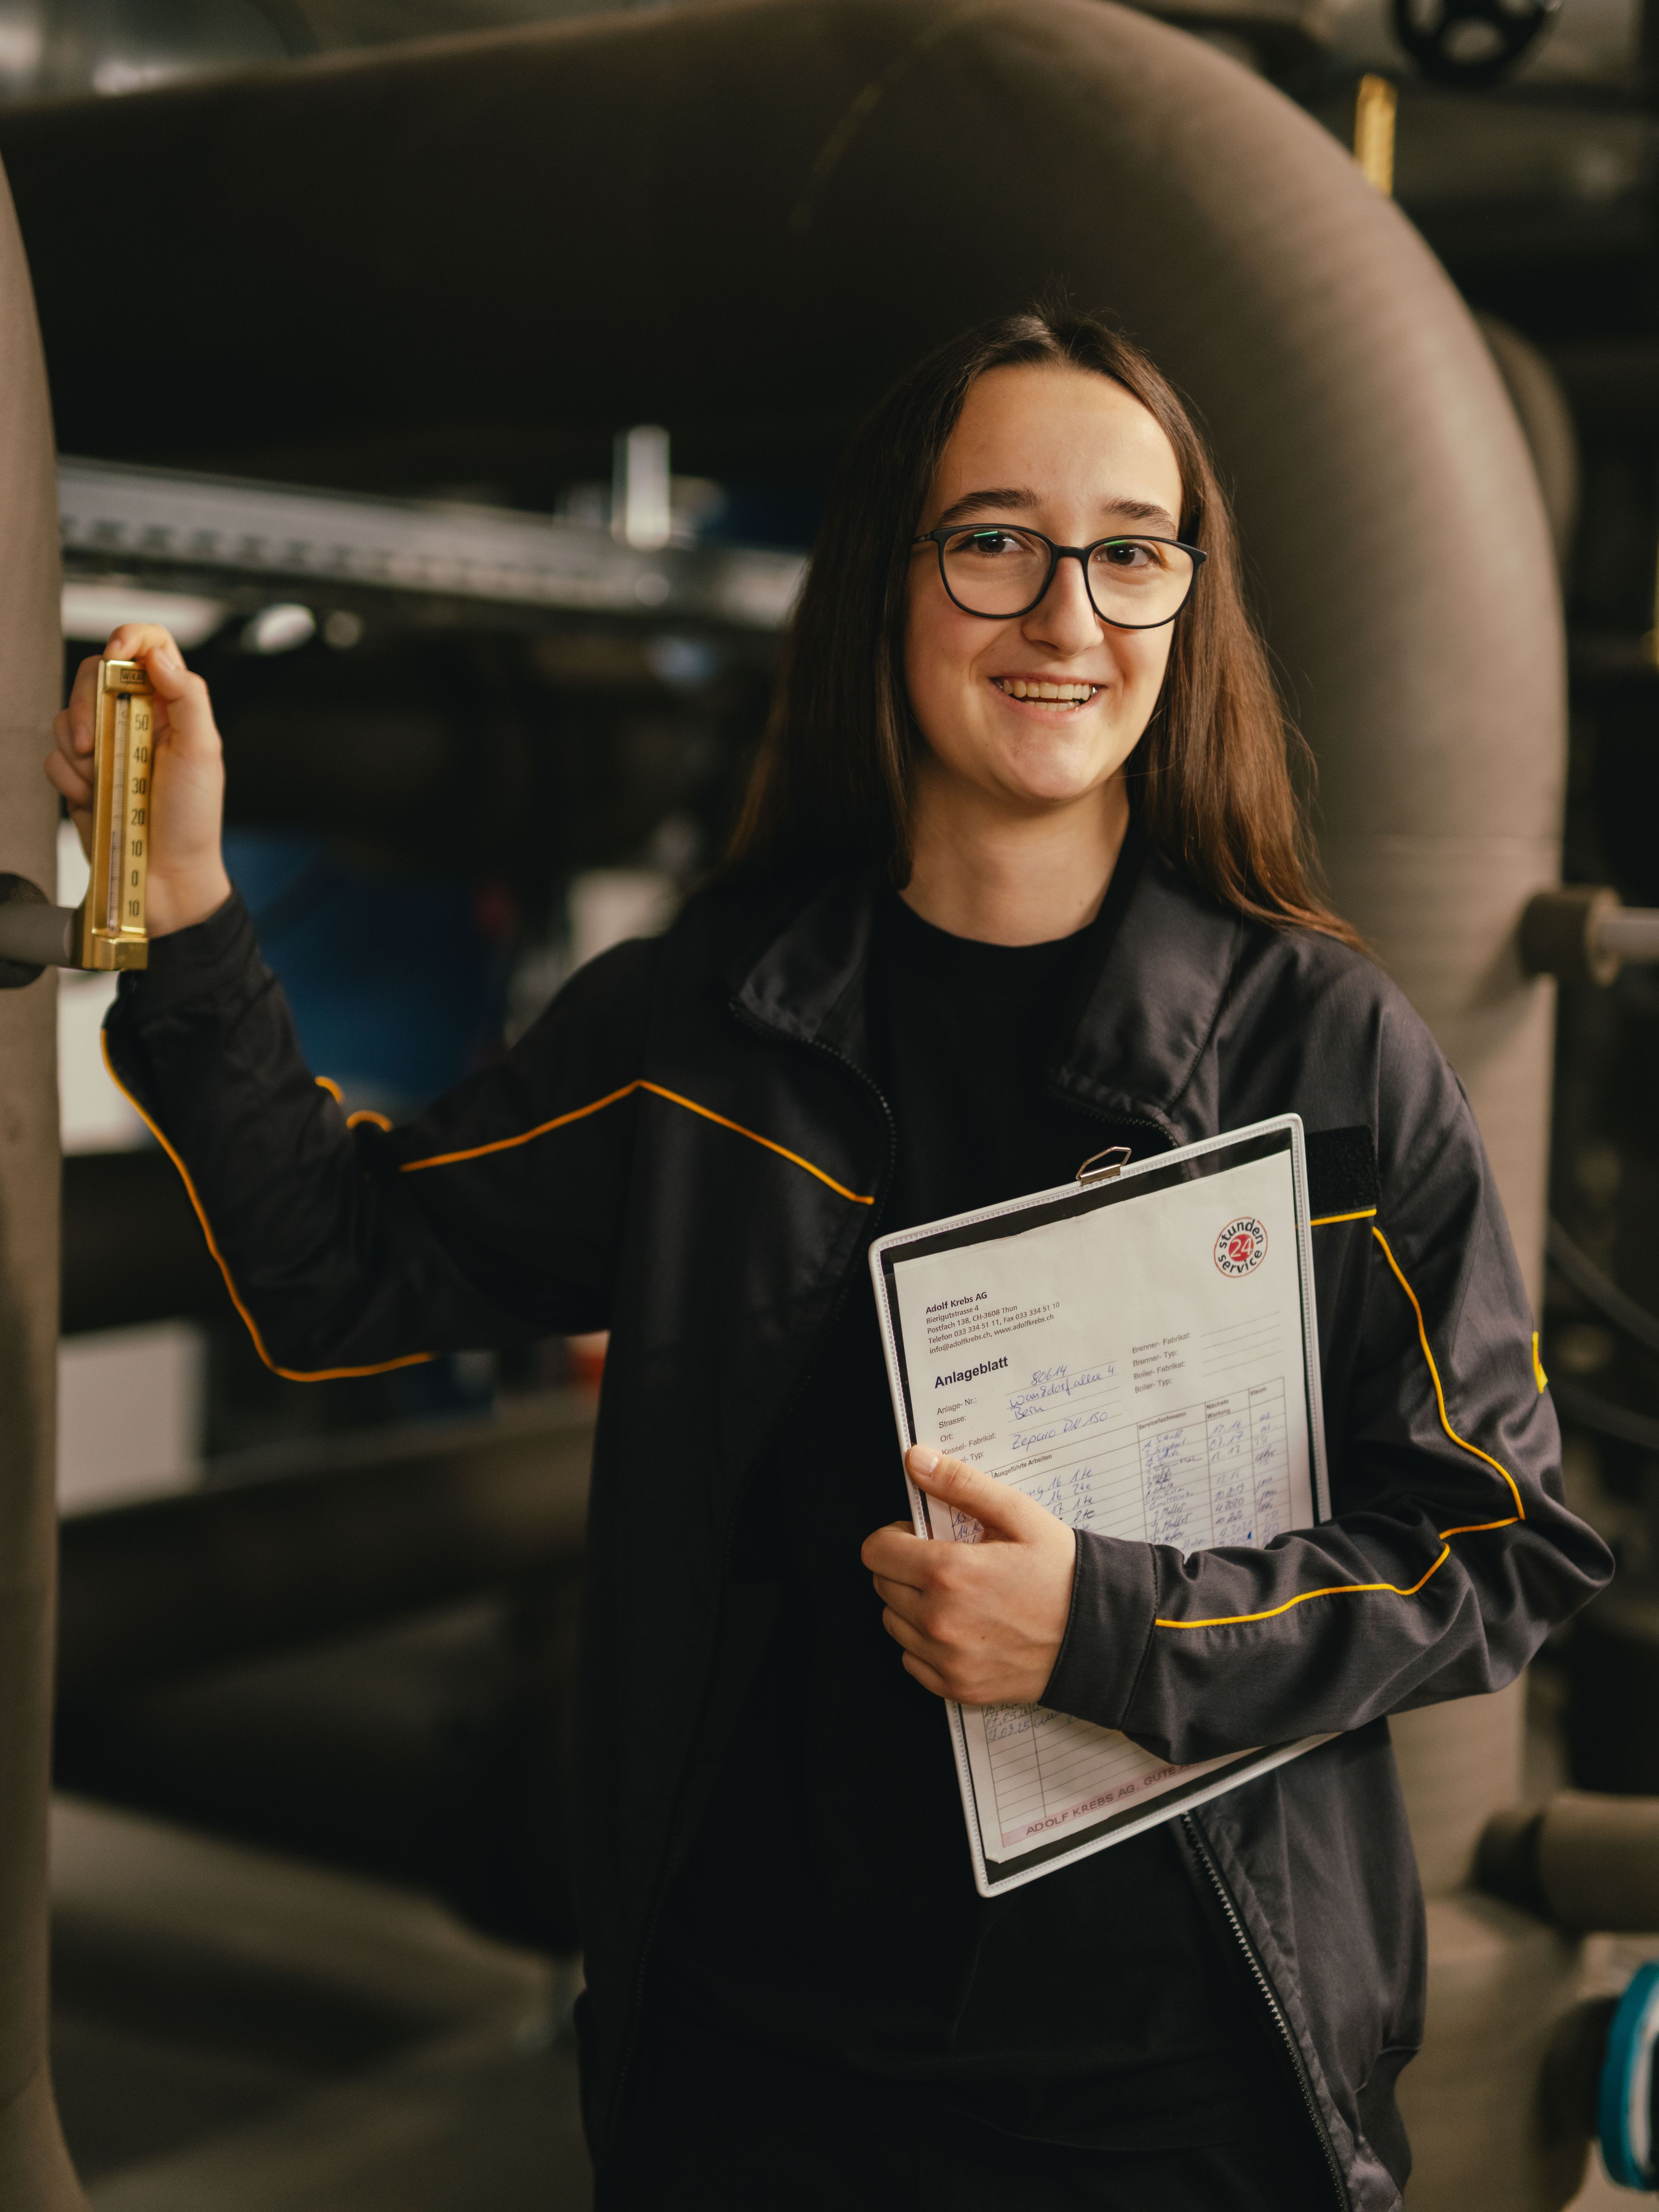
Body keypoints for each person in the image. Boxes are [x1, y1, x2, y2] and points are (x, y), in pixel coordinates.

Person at [49, 309, 1610, 2212]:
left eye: (1132, 550)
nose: (1068, 614)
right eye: (997, 542)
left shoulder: (1322, 1052)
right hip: (752, 2082)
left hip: (1172, 2102)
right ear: (890, 578)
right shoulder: (705, 1024)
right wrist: (190, 904)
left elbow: (1496, 1535)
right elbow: (343, 1268)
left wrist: (1107, 1629)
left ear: (1189, 605)